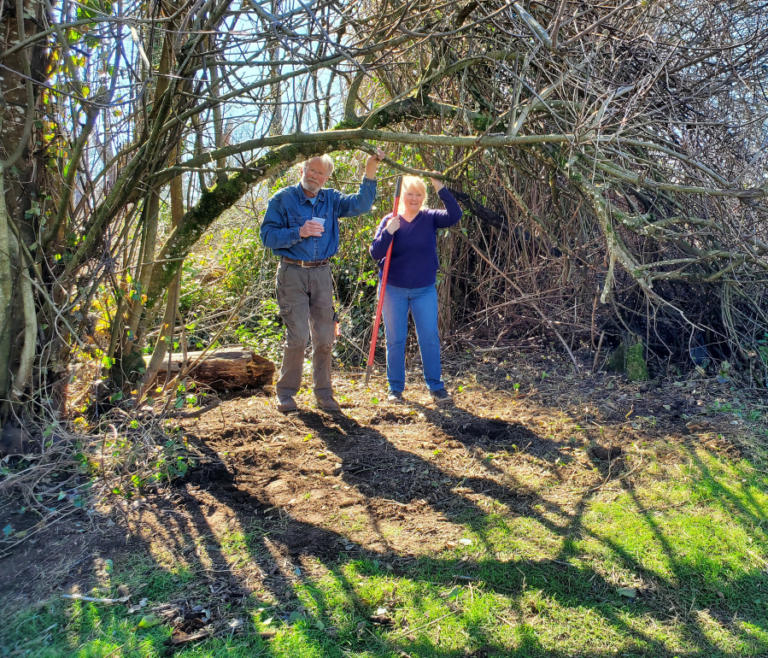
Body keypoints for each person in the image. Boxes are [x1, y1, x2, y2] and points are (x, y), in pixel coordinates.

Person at [261, 148, 386, 413]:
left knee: (326, 338)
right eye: (312, 170)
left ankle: (324, 394)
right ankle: (285, 393)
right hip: (292, 273)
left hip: (321, 274)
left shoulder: (331, 200)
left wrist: (370, 171)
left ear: (327, 177)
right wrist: (299, 232)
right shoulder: (282, 199)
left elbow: (361, 204)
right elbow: (267, 237)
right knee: (297, 337)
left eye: (321, 172)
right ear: (302, 170)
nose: (315, 176)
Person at [369, 175, 462, 404]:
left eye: (418, 194)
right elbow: (375, 252)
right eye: (410, 193)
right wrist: (388, 231)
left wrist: (440, 187)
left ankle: (436, 387)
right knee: (395, 340)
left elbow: (455, 215)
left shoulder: (430, 218)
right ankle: (395, 389)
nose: (414, 198)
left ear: (424, 197)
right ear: (402, 196)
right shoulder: (390, 219)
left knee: (429, 337)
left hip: (424, 290)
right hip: (392, 289)